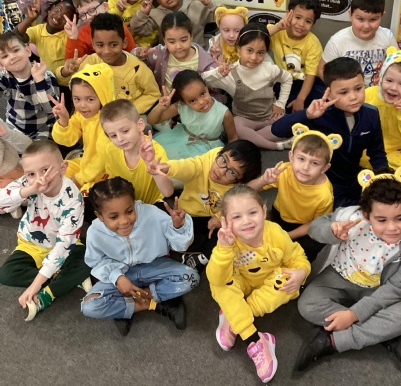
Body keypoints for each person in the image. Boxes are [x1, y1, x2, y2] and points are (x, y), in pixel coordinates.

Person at [294, 167, 401, 370]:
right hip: (339, 275)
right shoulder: (350, 216)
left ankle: (332, 341)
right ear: (366, 215)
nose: (392, 228)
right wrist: (331, 231)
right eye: (381, 220)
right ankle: (382, 332)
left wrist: (353, 315)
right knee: (307, 305)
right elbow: (315, 227)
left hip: (380, 288)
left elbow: (397, 287)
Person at [206, 185, 311, 383]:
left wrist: (301, 272)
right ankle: (254, 339)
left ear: (264, 211)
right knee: (218, 284)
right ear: (225, 221)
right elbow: (216, 278)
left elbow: (298, 258)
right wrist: (224, 248)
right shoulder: (227, 241)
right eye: (237, 217)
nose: (246, 221)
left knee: (289, 282)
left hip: (271, 278)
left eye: (252, 213)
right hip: (241, 279)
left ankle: (234, 317)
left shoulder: (276, 234)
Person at [81, 177, 199, 336]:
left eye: (129, 211)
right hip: (122, 273)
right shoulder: (95, 232)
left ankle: (129, 304)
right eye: (114, 217)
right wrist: (117, 277)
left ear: (134, 203)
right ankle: (151, 303)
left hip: (155, 265)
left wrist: (178, 227)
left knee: (191, 278)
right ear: (100, 216)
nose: (124, 221)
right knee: (89, 305)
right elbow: (96, 261)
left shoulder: (152, 213)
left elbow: (180, 245)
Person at [272, 57, 387, 208]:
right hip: (322, 182)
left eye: (358, 88)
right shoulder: (319, 115)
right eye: (343, 92)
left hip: (354, 177)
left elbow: (377, 153)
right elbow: (277, 130)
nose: (353, 97)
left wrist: (385, 180)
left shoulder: (371, 114)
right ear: (329, 93)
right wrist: (307, 114)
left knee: (387, 203)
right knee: (349, 212)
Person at [0, 140, 90, 321]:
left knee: (90, 259)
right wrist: (28, 190)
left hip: (63, 245)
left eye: (45, 170)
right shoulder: (29, 183)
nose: (40, 179)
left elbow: (64, 245)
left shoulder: (73, 200)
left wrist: (35, 286)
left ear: (62, 168)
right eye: (31, 174)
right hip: (30, 244)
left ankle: (50, 292)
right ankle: (65, 278)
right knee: (6, 274)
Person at [145, 140, 262, 269]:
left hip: (208, 221)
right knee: (159, 215)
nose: (221, 171)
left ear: (239, 181)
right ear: (219, 154)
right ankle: (179, 251)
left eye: (232, 173)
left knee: (228, 233)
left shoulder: (237, 189)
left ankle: (197, 258)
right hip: (185, 213)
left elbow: (236, 207)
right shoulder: (208, 160)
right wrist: (168, 168)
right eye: (223, 160)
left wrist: (219, 217)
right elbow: (190, 166)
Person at [248, 123, 341, 261]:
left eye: (315, 163)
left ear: (324, 168)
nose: (305, 167)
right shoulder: (284, 170)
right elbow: (247, 190)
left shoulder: (324, 194)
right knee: (256, 239)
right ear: (291, 157)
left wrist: (288, 236)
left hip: (303, 226)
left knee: (303, 253)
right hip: (278, 215)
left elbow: (316, 223)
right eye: (301, 159)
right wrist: (264, 180)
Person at [202, 23, 294, 150]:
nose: (254, 57)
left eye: (260, 53)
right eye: (249, 51)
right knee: (235, 124)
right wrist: (218, 72)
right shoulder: (230, 72)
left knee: (292, 123)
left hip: (270, 116)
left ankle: (250, 139)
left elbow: (287, 78)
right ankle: (275, 145)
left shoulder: (269, 69)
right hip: (245, 120)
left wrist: (280, 104)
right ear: (239, 48)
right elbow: (202, 80)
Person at [317, 0, 401, 87]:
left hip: (380, 93)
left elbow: (399, 67)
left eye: (373, 20)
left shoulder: (387, 37)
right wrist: (339, 89)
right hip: (351, 94)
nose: (366, 26)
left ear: (382, 16)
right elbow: (321, 69)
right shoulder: (337, 41)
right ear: (350, 15)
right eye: (360, 19)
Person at [58, 13, 160, 115]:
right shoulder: (90, 62)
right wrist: (66, 71)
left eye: (113, 44)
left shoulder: (138, 68)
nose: (106, 51)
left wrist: (129, 110)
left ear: (124, 43)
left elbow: (153, 93)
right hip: (95, 115)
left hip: (126, 117)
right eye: (100, 45)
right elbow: (63, 80)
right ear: (93, 44)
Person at [50, 63, 114, 199]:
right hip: (86, 164)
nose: (82, 105)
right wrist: (64, 120)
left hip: (109, 171)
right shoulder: (82, 114)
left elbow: (101, 160)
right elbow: (67, 140)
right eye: (77, 99)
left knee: (82, 195)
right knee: (55, 174)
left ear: (103, 96)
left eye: (90, 99)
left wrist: (79, 179)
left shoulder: (111, 121)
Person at [148, 70, 236, 160]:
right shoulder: (182, 106)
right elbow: (151, 120)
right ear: (184, 102)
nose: (201, 102)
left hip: (208, 150)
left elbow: (233, 138)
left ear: (206, 87)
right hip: (178, 140)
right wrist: (160, 107)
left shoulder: (224, 113)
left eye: (203, 94)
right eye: (192, 101)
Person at [100, 99, 174, 203]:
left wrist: (151, 164)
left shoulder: (155, 151)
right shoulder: (110, 150)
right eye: (113, 136)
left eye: (125, 131)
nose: (120, 139)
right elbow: (114, 184)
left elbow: (168, 192)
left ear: (140, 125)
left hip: (153, 205)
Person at [131, 11, 216, 94]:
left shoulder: (205, 61)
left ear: (191, 36)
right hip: (166, 101)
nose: (178, 46)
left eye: (183, 40)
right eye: (172, 42)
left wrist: (218, 73)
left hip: (196, 102)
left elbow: (216, 89)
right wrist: (139, 53)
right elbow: (130, 58)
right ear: (164, 40)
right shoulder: (159, 53)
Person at [268, 0, 323, 112]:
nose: (301, 24)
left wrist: (300, 99)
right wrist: (277, 27)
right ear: (288, 13)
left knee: (321, 98)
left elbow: (311, 74)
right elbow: (255, 38)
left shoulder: (313, 43)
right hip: (283, 80)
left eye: (308, 21)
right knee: (279, 100)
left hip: (305, 82)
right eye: (297, 17)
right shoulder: (277, 31)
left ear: (313, 24)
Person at [0, 31, 59, 142]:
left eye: (16, 50)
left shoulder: (45, 75)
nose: (12, 57)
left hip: (42, 127)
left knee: (39, 152)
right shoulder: (4, 77)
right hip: (14, 125)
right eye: (5, 56)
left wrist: (39, 81)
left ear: (27, 50)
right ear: (1, 65)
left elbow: (52, 109)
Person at [130, 0, 216, 48]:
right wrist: (143, 13)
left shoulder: (197, 6)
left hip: (196, 56)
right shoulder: (156, 13)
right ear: (158, 1)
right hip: (168, 57)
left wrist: (209, 4)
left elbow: (220, 19)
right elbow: (138, 29)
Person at [63, 0, 136, 60]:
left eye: (92, 10)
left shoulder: (119, 27)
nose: (88, 17)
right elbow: (72, 63)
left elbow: (132, 54)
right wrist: (72, 38)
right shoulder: (82, 34)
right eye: (83, 14)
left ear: (105, 6)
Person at [16, 0, 77, 87]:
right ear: (50, 9)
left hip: (66, 83)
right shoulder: (38, 30)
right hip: (48, 80)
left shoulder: (69, 36)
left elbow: (72, 60)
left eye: (66, 17)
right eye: (58, 10)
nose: (59, 16)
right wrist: (29, 19)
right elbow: (16, 37)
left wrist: (72, 38)